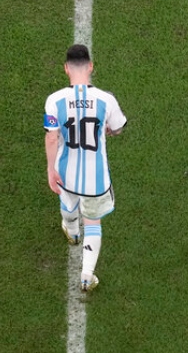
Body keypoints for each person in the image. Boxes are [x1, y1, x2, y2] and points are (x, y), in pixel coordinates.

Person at [43, 44, 127, 293]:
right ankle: (87, 276)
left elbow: (50, 137)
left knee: (68, 202)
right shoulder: (106, 99)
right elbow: (118, 127)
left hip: (65, 171)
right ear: (90, 67)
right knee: (93, 221)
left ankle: (71, 231)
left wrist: (50, 169)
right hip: (96, 180)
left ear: (66, 69)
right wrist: (109, 129)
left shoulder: (54, 100)